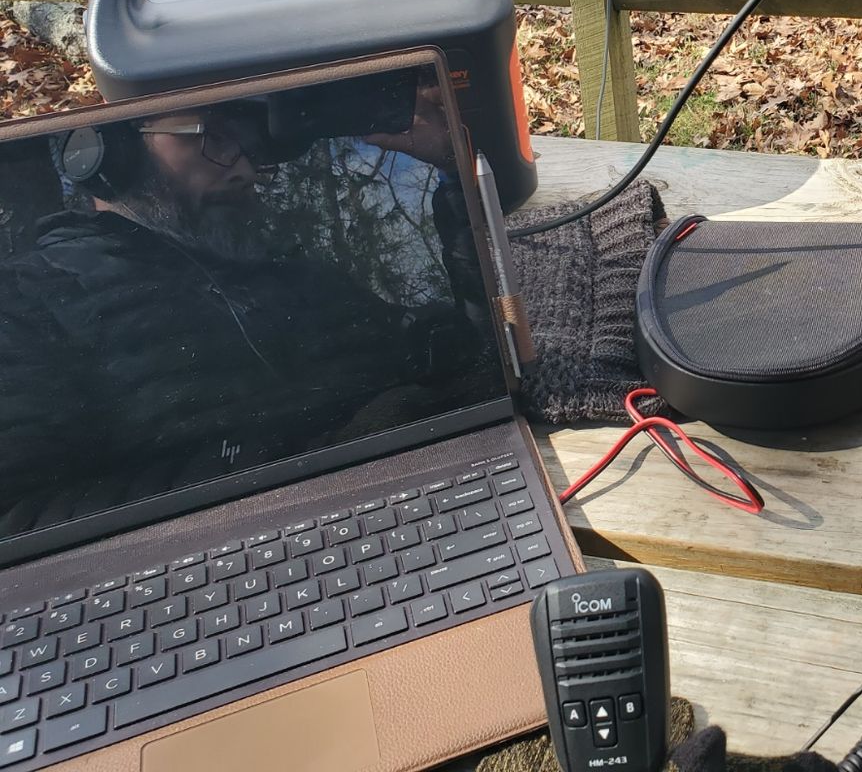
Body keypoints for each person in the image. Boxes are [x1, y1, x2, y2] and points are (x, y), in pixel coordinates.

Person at [0, 87, 494, 539]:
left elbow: (468, 366)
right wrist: (311, 465)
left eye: (251, 149)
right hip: (201, 571)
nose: (246, 172)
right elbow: (20, 520)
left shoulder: (303, 281)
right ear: (109, 151)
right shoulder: (30, 297)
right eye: (213, 137)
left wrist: (453, 172)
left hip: (405, 514)